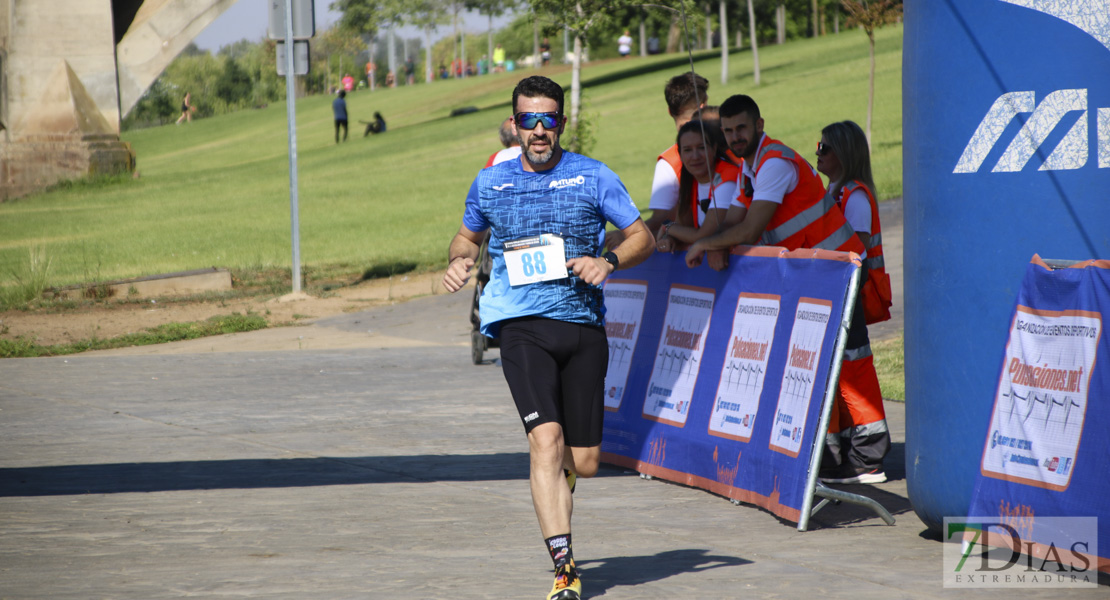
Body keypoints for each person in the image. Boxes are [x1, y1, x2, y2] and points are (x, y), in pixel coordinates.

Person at [442, 75, 653, 600]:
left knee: (583, 461)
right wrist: (458, 260)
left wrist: (606, 261)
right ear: (514, 124)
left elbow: (642, 236)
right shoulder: (490, 181)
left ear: (561, 122)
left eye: (548, 119)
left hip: (582, 327)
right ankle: (565, 569)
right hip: (519, 328)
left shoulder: (592, 176)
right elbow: (466, 236)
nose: (538, 130)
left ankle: (561, 486)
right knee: (545, 442)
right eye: (528, 119)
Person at [684, 94, 866, 268]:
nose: (735, 137)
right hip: (818, 264)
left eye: (741, 128)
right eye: (729, 131)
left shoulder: (774, 163)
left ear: (759, 125)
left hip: (841, 263)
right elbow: (730, 222)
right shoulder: (747, 168)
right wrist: (716, 245)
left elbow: (750, 230)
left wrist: (704, 244)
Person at [814, 120, 892, 484]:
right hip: (838, 301)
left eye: (825, 148)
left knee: (855, 374)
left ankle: (868, 457)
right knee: (839, 374)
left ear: (843, 154)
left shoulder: (854, 197)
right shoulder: (835, 192)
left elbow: (854, 259)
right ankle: (841, 453)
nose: (818, 153)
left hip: (852, 301)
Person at [654, 119, 738, 254]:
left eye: (701, 148)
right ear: (680, 154)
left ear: (714, 148)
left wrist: (667, 227)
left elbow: (704, 236)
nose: (695, 156)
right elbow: (683, 227)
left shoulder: (728, 178)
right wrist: (670, 239)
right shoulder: (690, 180)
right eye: (687, 150)